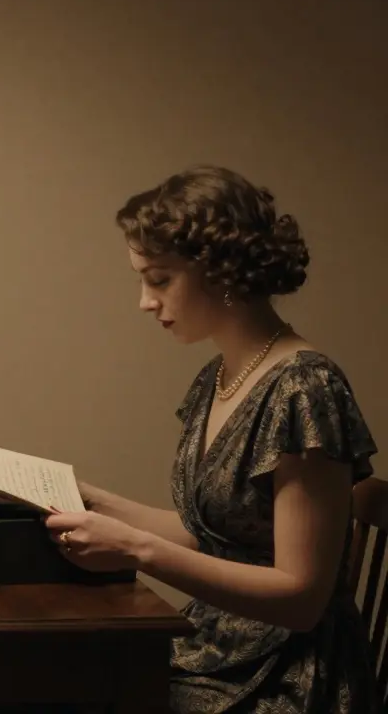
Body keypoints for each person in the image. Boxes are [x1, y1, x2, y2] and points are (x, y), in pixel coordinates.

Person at [42, 165, 379, 714]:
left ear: (220, 271)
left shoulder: (304, 387)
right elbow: (215, 537)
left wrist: (135, 549)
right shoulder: (220, 376)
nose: (145, 302)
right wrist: (87, 497)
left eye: (159, 278)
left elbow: (301, 598)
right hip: (216, 649)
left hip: (284, 676)